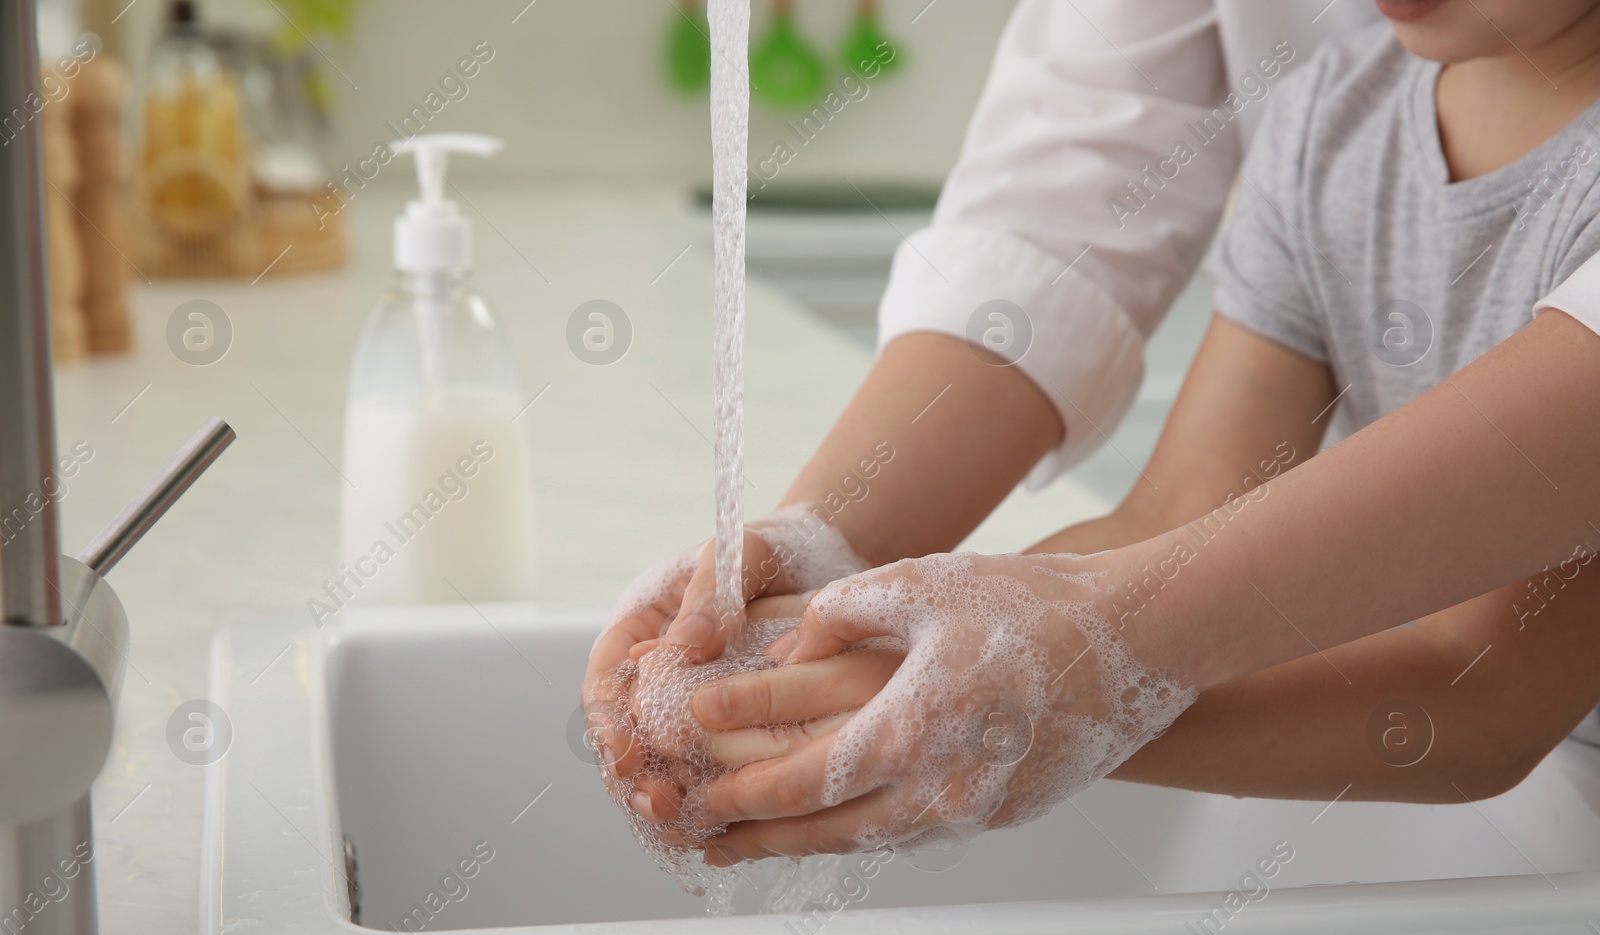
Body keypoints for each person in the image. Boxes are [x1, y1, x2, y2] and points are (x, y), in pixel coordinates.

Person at [584, 0, 1600, 865]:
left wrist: (1033, 700)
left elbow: (1479, 698)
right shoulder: (1332, 120)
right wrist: (819, 627)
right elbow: (1169, 518)